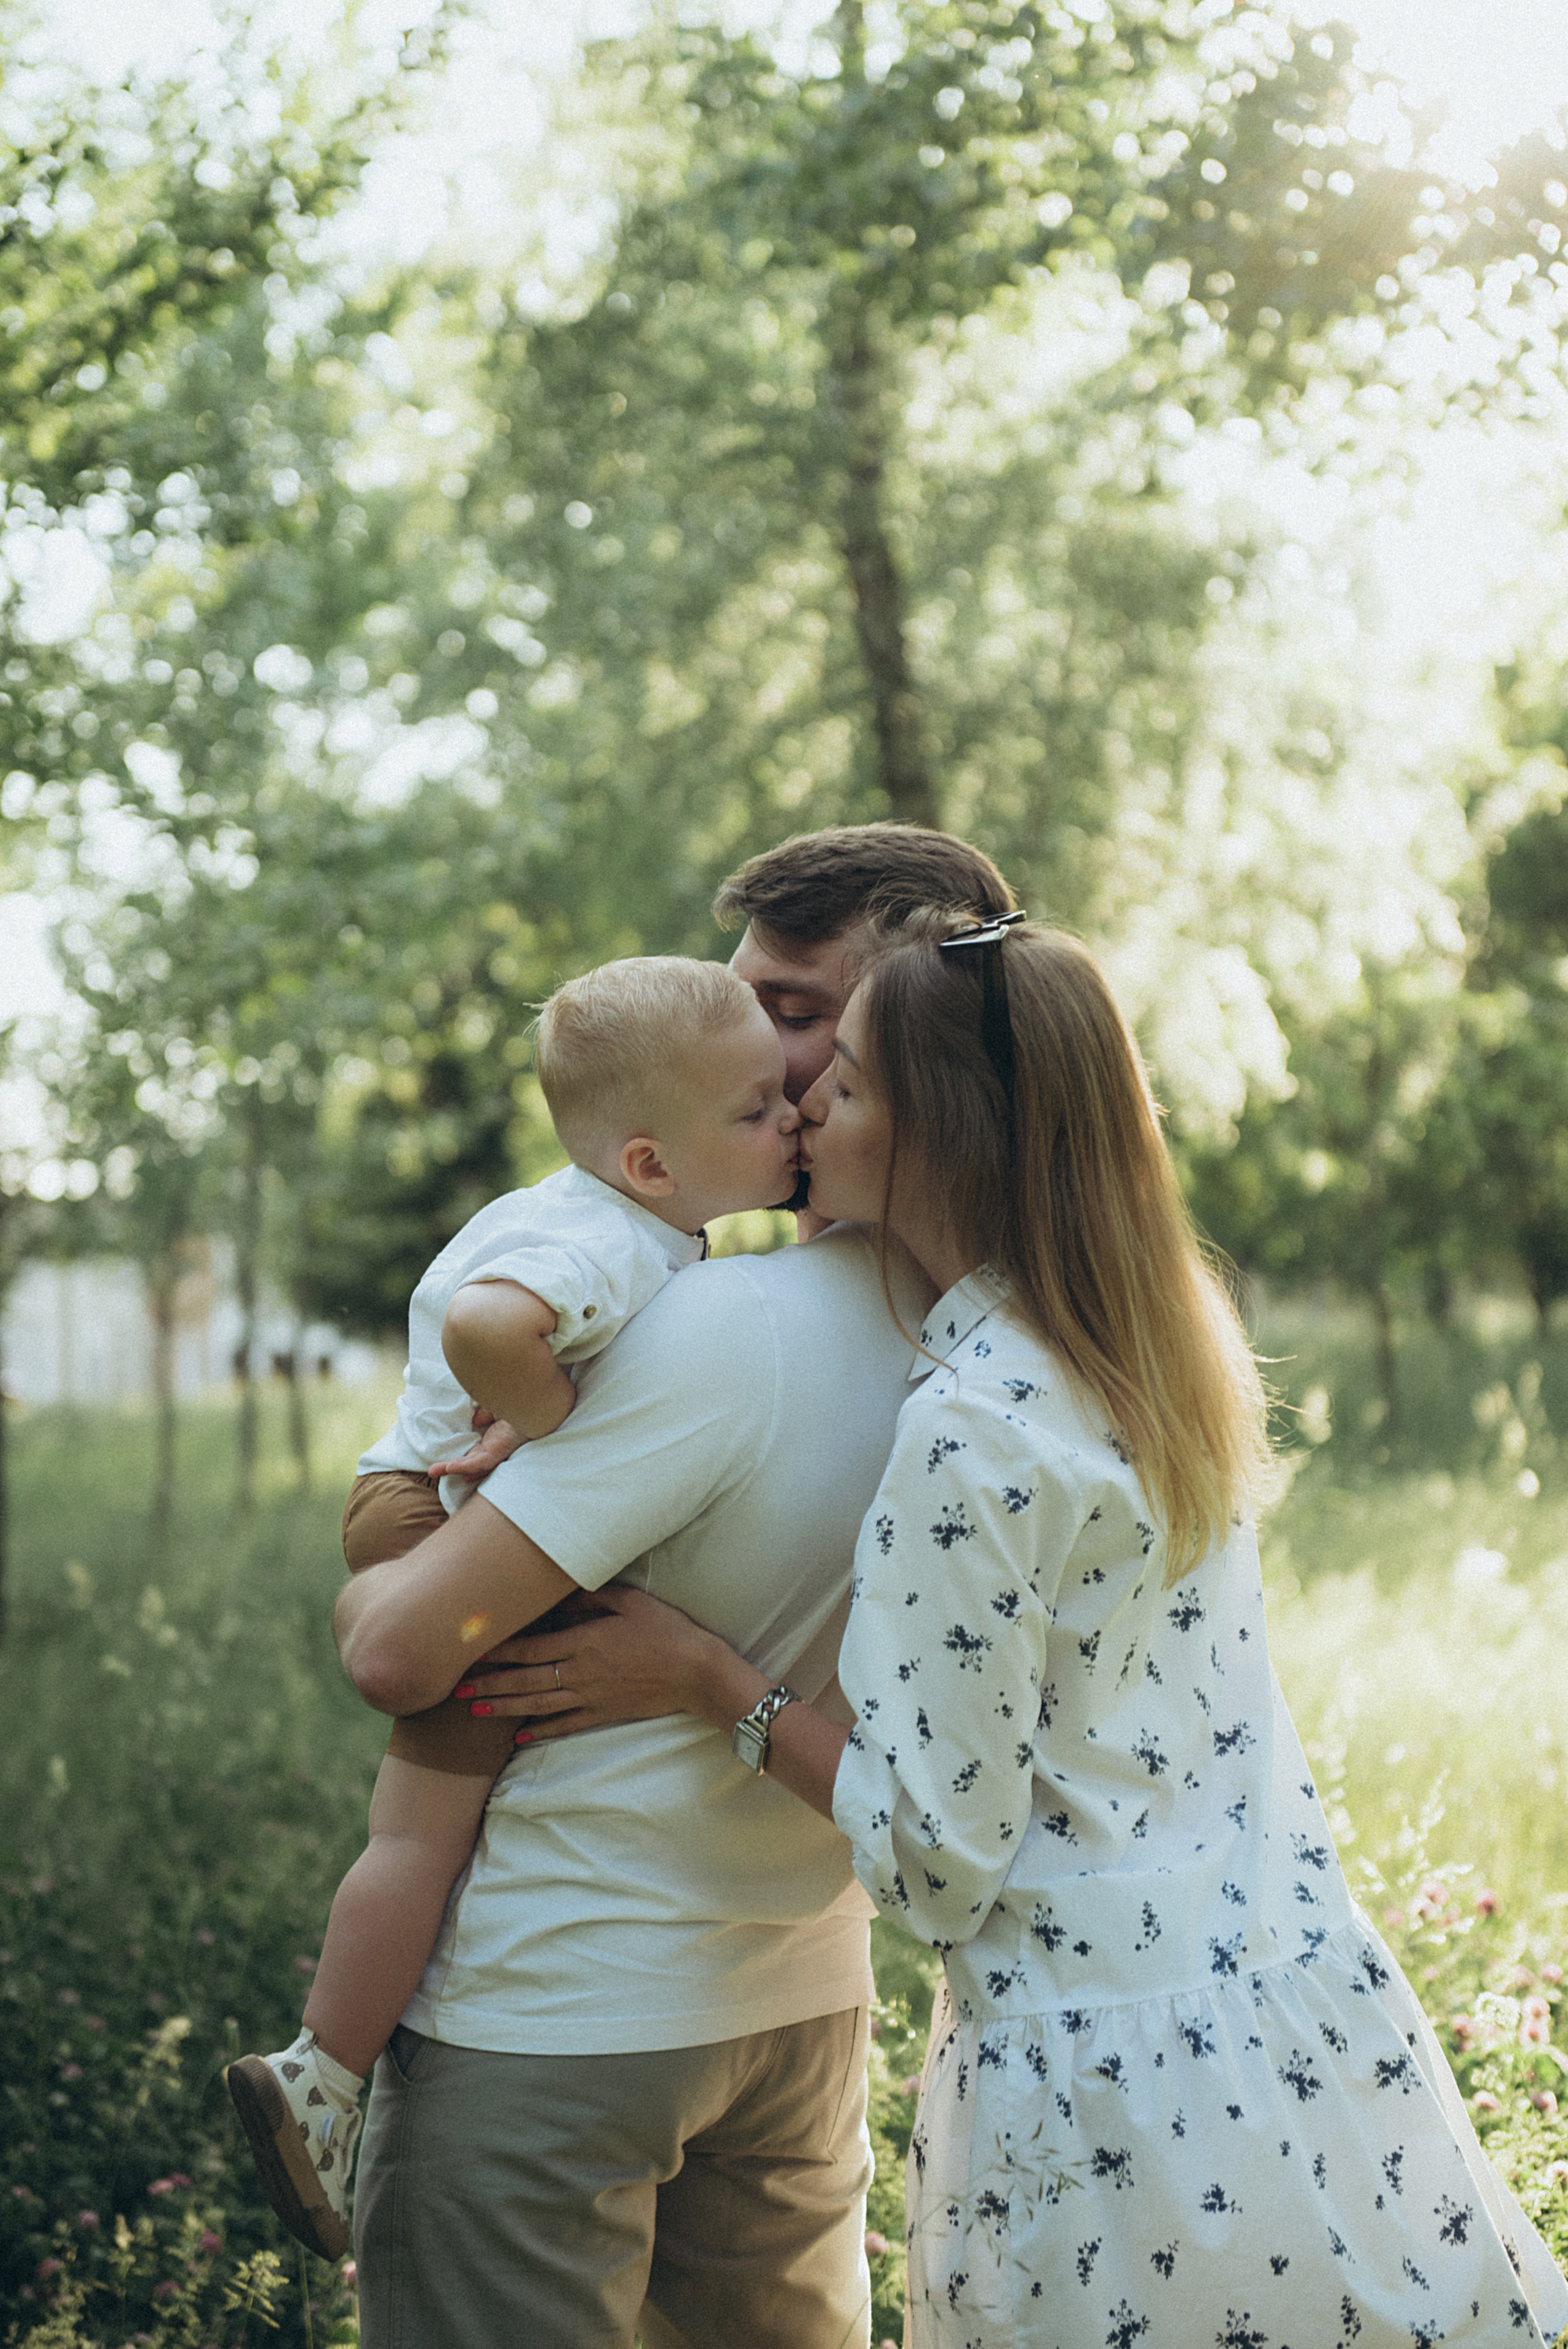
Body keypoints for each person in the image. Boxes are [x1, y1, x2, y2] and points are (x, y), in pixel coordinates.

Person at [487, 913, 1568, 2347]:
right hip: (1300, 2033)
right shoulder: (1156, 1348)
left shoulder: (970, 1431)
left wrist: (706, 1678)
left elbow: (936, 1862)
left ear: (941, 1138)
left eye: (845, 1084)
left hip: (1109, 2092)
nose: (806, 1107)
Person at [326, 823, 1018, 2349]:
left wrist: (384, 1558)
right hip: (800, 2001)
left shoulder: (718, 1330)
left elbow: (396, 1649)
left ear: (910, 1023)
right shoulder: (1005, 1335)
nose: (743, 1044)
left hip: (563, 2005)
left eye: (791, 1012)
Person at [225, 956, 802, 2261]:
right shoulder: (607, 1240)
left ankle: (330, 2065)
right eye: (758, 1108)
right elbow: (490, 1326)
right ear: (651, 1162)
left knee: (425, 1821)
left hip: (409, 1500)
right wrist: (550, 1433)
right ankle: (323, 2075)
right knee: (420, 1832)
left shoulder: (600, 1210)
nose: (792, 1120)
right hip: (436, 1515)